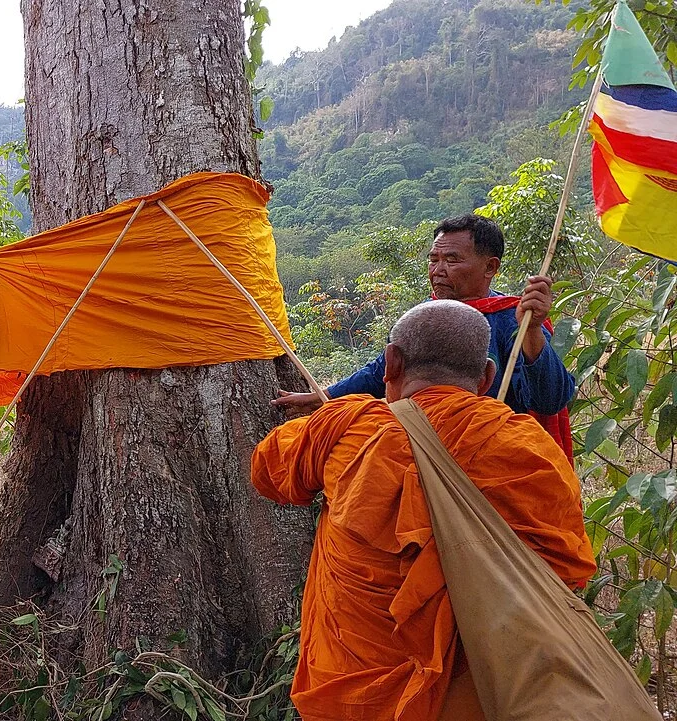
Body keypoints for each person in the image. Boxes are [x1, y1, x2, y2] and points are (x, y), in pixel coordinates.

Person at [251, 300, 596, 720]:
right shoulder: (525, 446)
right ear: (487, 376)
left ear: (390, 363)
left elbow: (268, 472)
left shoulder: (344, 429)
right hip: (487, 690)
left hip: (358, 689)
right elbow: (563, 570)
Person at [273, 214, 577, 459]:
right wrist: (322, 398)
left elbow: (549, 399)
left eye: (452, 260)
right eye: (434, 260)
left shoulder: (514, 320)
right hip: (426, 458)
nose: (438, 270)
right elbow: (382, 371)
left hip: (496, 461)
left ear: (490, 267)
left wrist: (534, 329)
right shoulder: (428, 315)